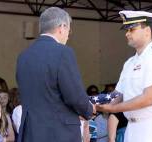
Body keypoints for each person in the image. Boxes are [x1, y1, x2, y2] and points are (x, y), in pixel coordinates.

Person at [16, 7, 95, 142]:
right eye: (69, 31)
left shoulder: (23, 56)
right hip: (59, 133)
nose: (68, 36)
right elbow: (74, 96)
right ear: (62, 27)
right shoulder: (63, 52)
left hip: (31, 132)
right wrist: (89, 109)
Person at [96, 10, 152, 142]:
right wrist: (91, 102)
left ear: (147, 31)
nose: (127, 34)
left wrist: (114, 108)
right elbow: (116, 95)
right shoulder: (129, 63)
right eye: (126, 30)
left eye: (131, 29)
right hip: (132, 128)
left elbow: (148, 98)